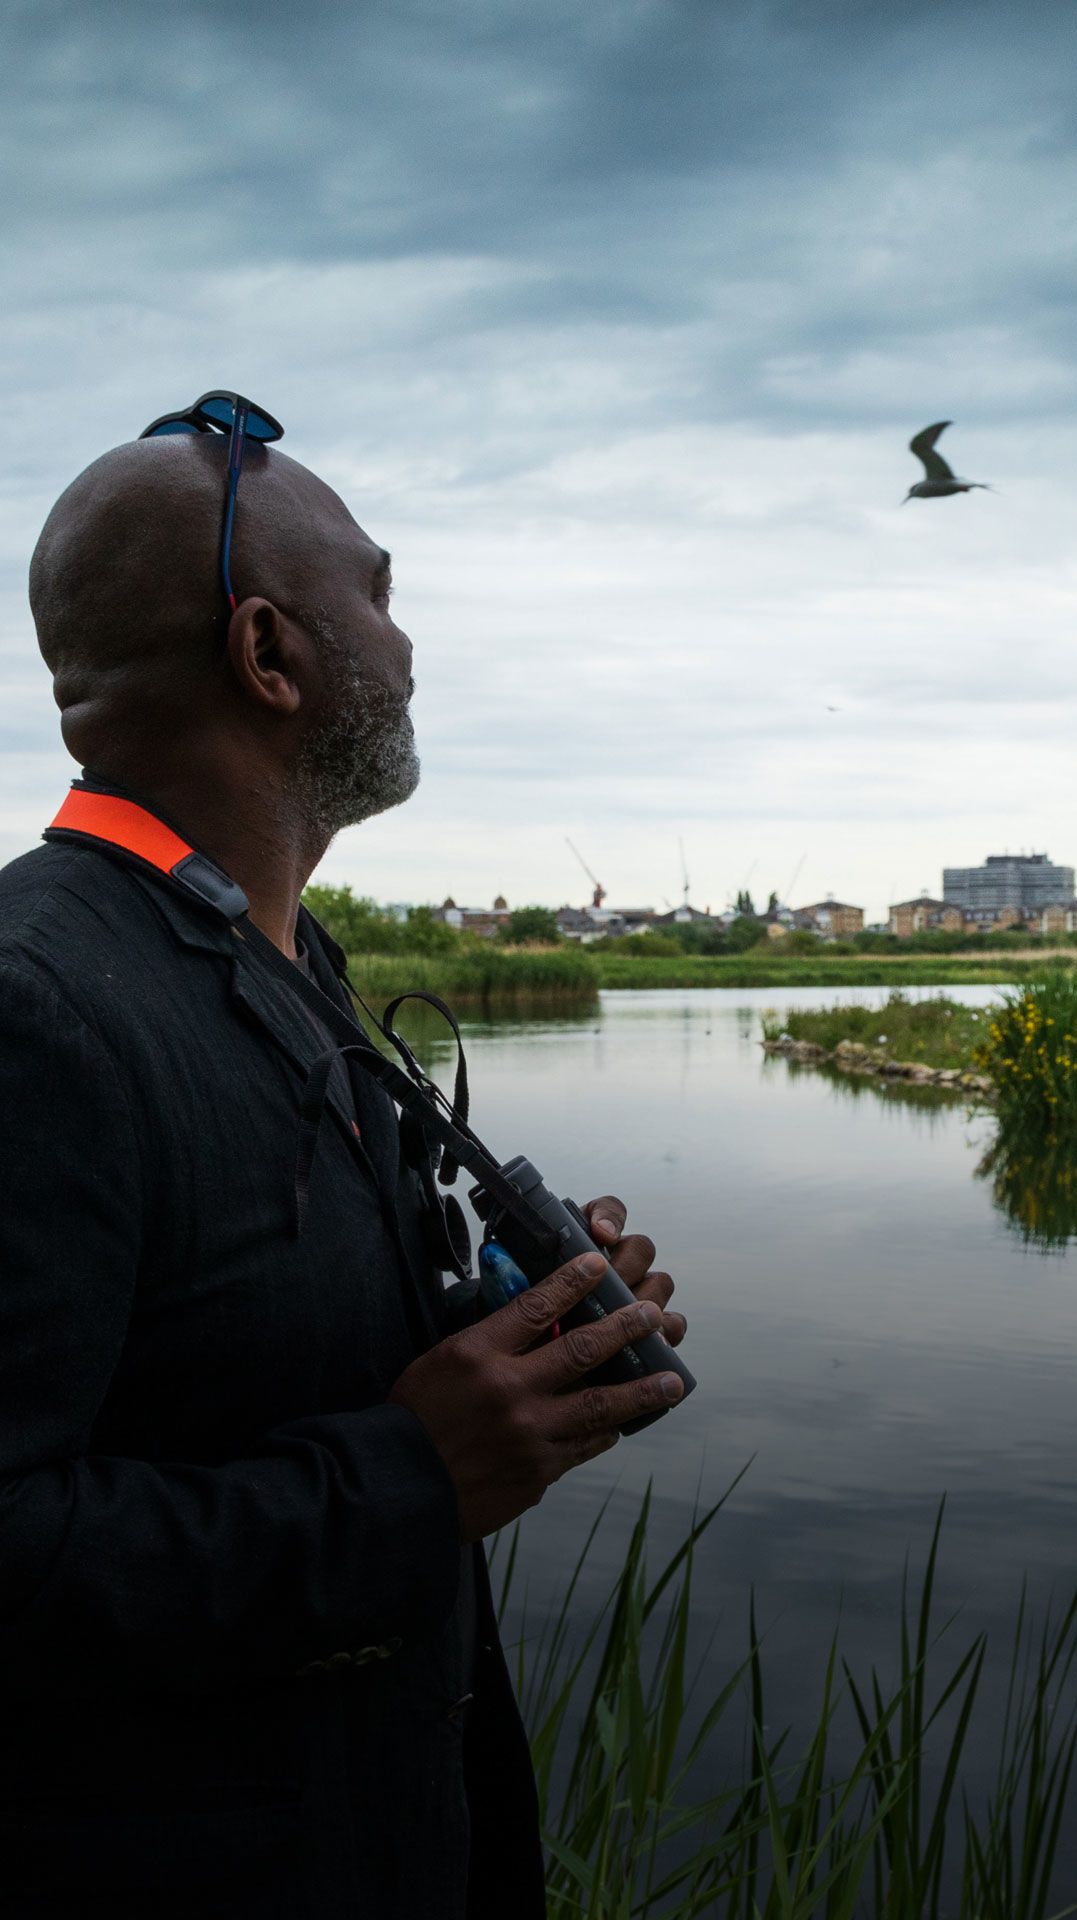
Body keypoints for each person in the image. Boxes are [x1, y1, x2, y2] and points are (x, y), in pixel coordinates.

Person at [0, 411, 687, 1918]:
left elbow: (207, 1364)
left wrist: (501, 1358)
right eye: (377, 592)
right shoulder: (35, 1003)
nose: (410, 641)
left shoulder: (288, 954)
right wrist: (410, 1473)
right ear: (269, 651)